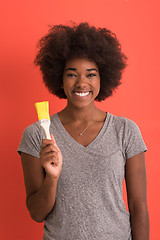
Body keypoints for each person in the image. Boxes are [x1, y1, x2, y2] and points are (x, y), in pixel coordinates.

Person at [18, 22, 149, 240]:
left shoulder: (125, 130)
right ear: (59, 78)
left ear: (102, 78)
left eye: (91, 74)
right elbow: (36, 213)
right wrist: (52, 177)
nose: (81, 83)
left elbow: (139, 205)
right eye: (72, 74)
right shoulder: (36, 135)